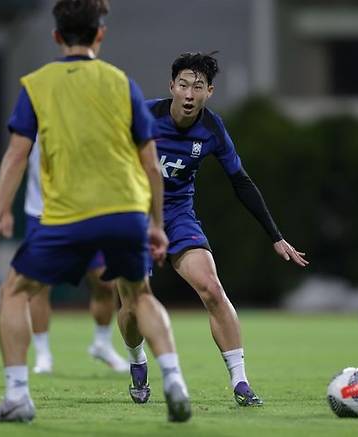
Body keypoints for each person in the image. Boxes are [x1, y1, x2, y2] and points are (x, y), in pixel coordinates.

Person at [0, 0, 191, 423]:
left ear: (56, 36)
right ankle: (174, 381)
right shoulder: (122, 83)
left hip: (66, 215)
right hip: (125, 210)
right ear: (100, 34)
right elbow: (151, 163)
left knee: (14, 291)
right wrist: (157, 224)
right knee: (139, 295)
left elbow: (16, 156)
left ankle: (18, 396)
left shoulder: (36, 84)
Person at [125, 52, 309, 406]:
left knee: (211, 287)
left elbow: (241, 182)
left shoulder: (212, 129)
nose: (189, 94)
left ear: (209, 91)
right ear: (171, 87)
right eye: (183, 85)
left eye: (198, 87)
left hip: (178, 215)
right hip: (133, 214)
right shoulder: (142, 116)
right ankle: (137, 360)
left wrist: (276, 236)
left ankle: (240, 381)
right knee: (133, 304)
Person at [23, 143, 129, 375]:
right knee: (40, 285)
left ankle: (101, 343)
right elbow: (16, 157)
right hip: (43, 214)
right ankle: (43, 354)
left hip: (86, 213)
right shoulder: (35, 116)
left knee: (105, 281)